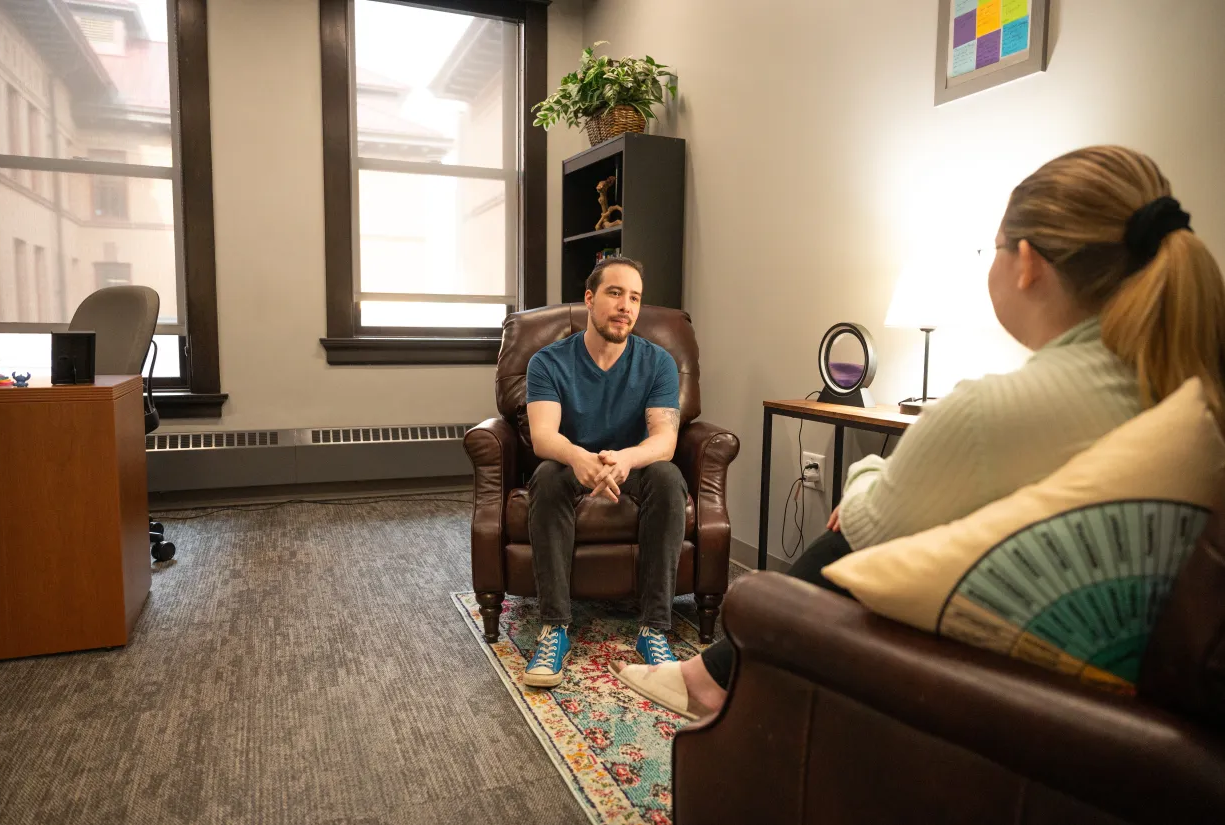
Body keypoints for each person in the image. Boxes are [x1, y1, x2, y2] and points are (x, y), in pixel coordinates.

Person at [612, 145, 1225, 719]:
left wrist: (866, 472)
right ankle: (710, 674)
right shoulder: (1186, 388)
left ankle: (709, 679)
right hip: (1123, 704)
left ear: (1029, 265)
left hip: (1001, 698)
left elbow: (868, 527)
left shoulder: (992, 411)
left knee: (839, 534)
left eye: (994, 249)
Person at [522, 256, 687, 688]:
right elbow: (543, 436)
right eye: (615, 294)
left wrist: (627, 459)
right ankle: (555, 628)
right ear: (590, 299)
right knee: (547, 475)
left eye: (634, 297)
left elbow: (664, 440)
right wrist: (579, 458)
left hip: (630, 463)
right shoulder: (548, 362)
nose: (625, 306)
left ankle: (654, 629)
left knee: (668, 478)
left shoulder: (659, 362)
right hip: (572, 461)